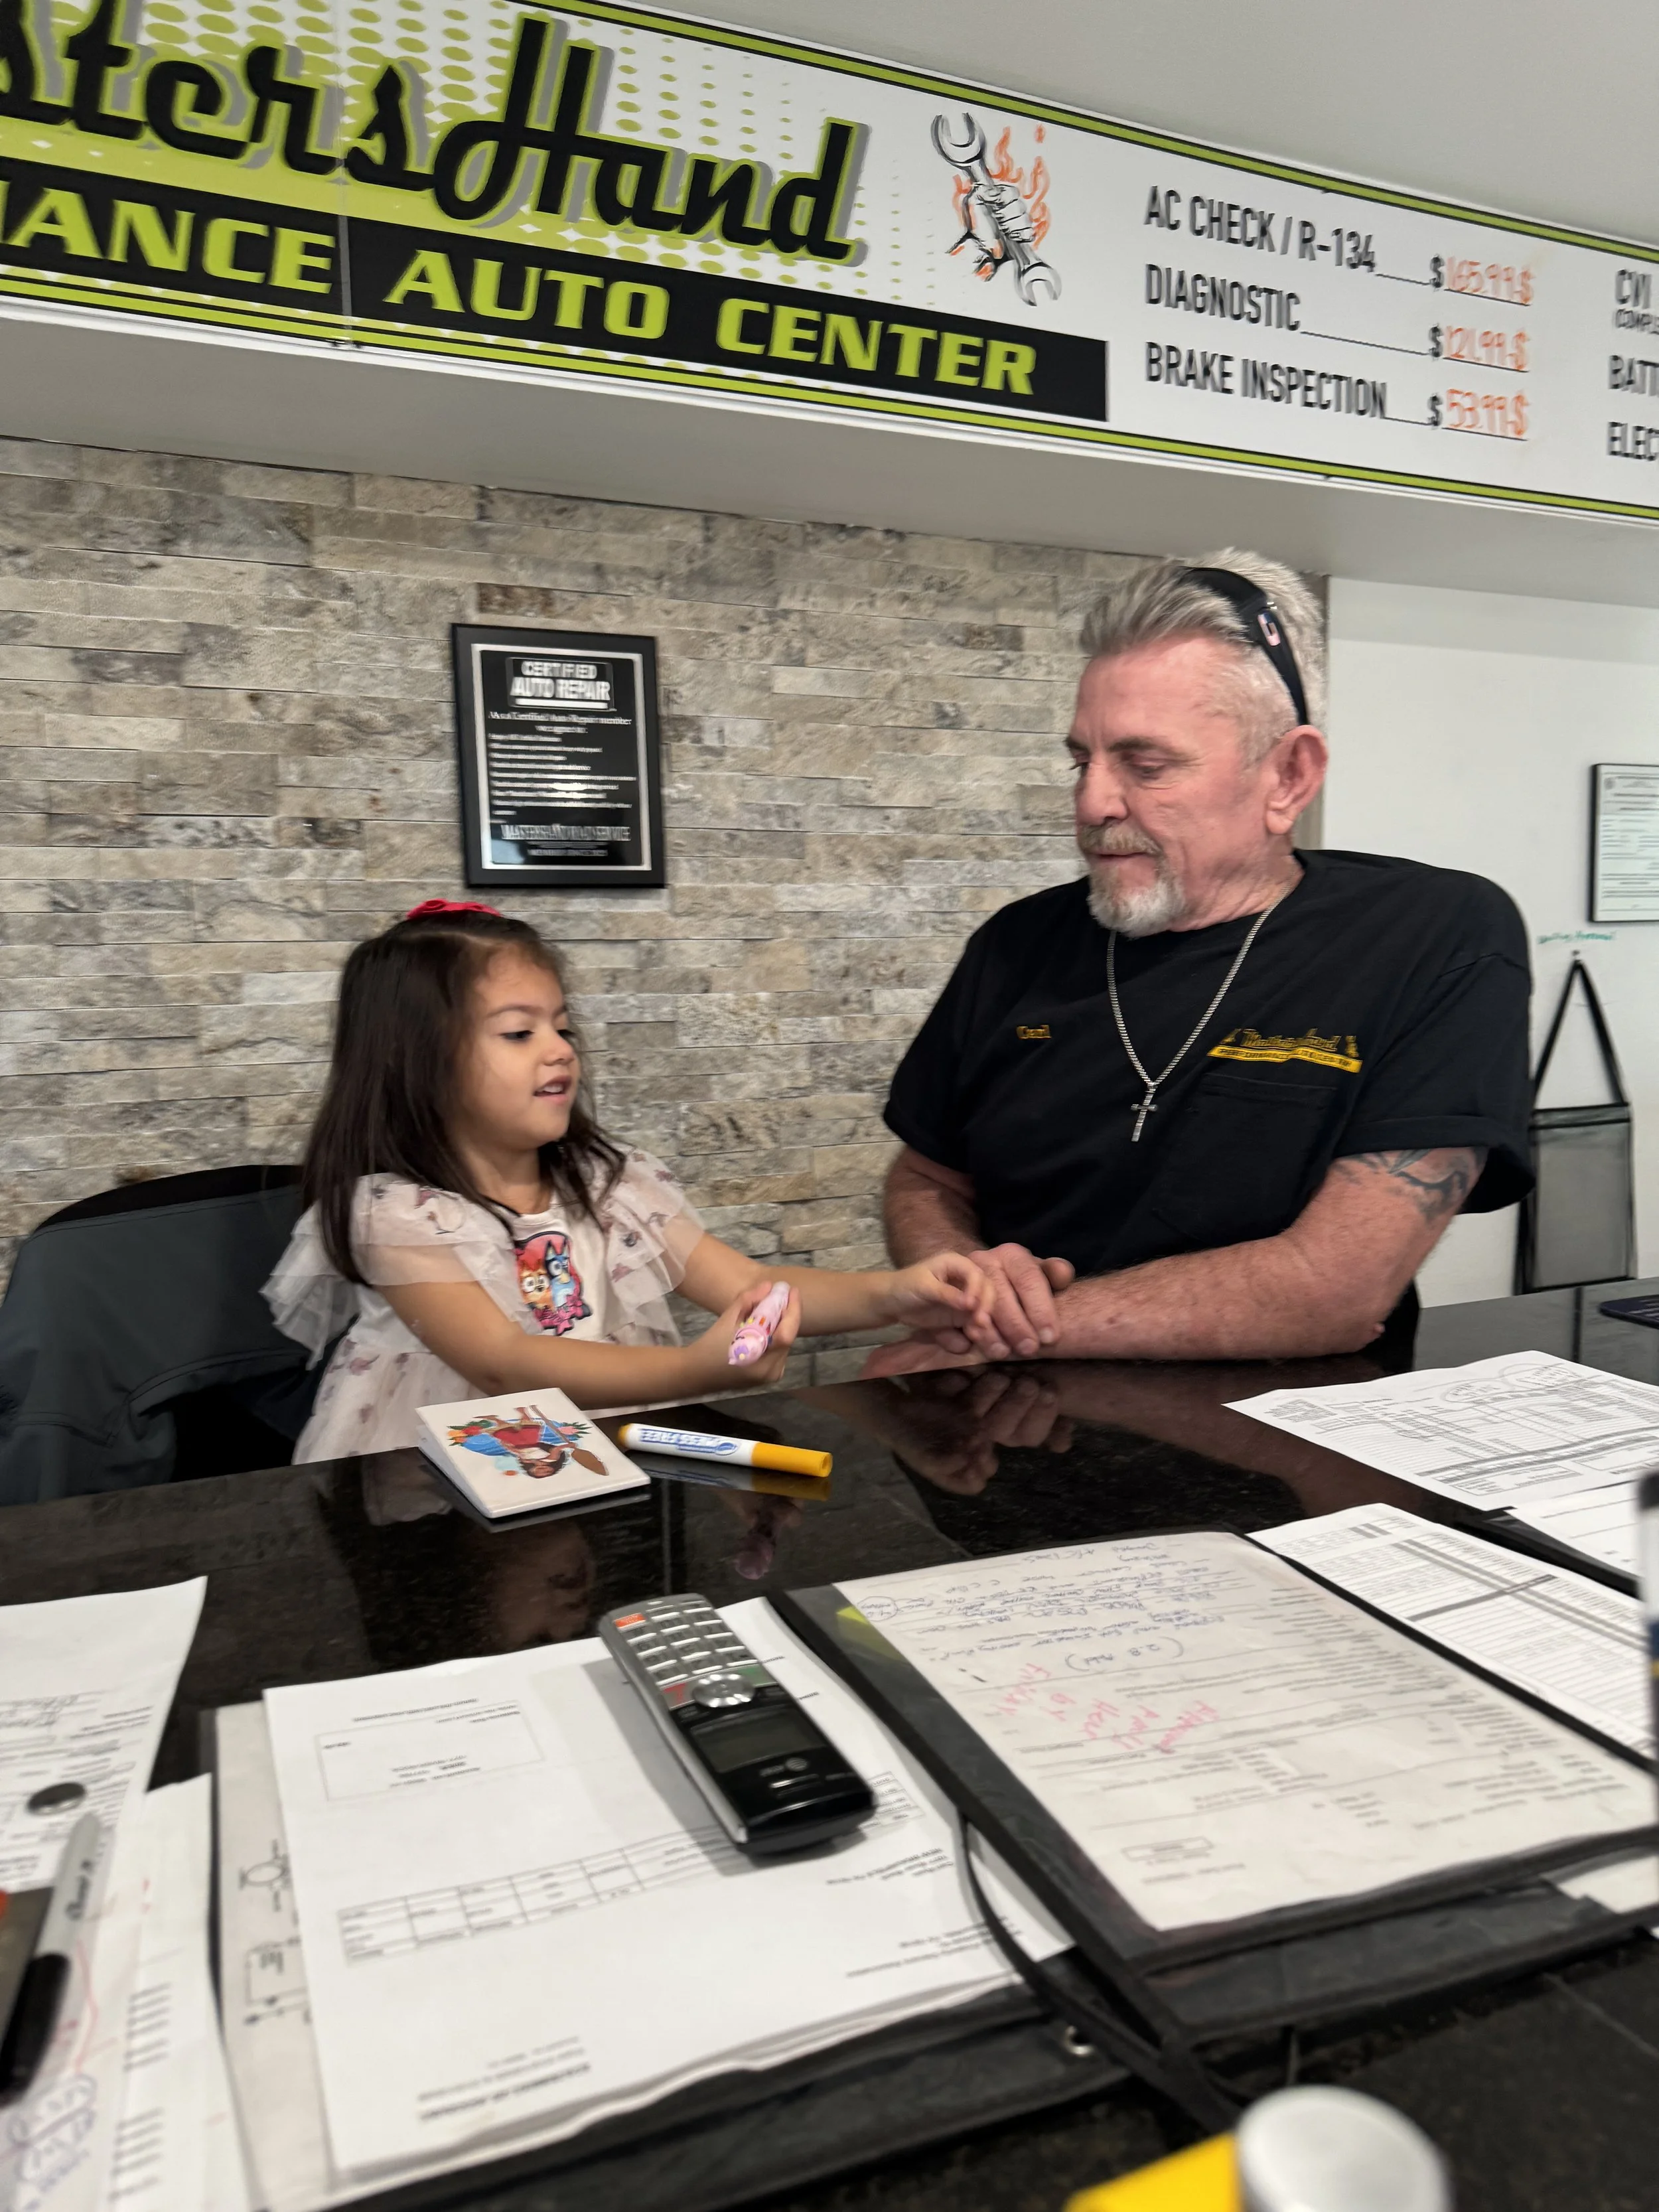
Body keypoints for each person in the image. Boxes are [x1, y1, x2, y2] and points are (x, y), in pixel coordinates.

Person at [879, 550, 1533, 1366]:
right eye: (1082, 760)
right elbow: (926, 1179)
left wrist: (1005, 1331)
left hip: (1290, 1466)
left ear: (1289, 776)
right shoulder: (1016, 946)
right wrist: (967, 1277)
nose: (1092, 804)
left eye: (1146, 766)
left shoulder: (1433, 936)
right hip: (1002, 1439)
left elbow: (1335, 1291)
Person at [266, 901, 995, 1459]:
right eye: (520, 1033)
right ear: (415, 1060)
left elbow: (748, 1288)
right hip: (442, 1470)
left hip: (600, 1454)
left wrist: (893, 1295)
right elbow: (504, 1363)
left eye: (562, 1028)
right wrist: (690, 1369)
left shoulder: (606, 1183)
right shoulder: (398, 1216)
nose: (558, 1051)